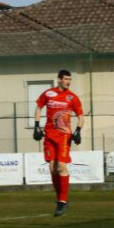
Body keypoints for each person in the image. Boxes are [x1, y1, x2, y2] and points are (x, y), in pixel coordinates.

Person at [33, 69, 84, 217]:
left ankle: (63, 200)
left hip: (64, 136)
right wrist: (36, 126)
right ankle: (59, 199)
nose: (68, 81)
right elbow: (38, 107)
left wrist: (78, 130)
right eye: (66, 79)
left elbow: (81, 116)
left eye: (70, 79)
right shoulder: (48, 93)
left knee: (62, 166)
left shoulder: (72, 97)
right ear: (59, 79)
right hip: (49, 135)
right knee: (52, 168)